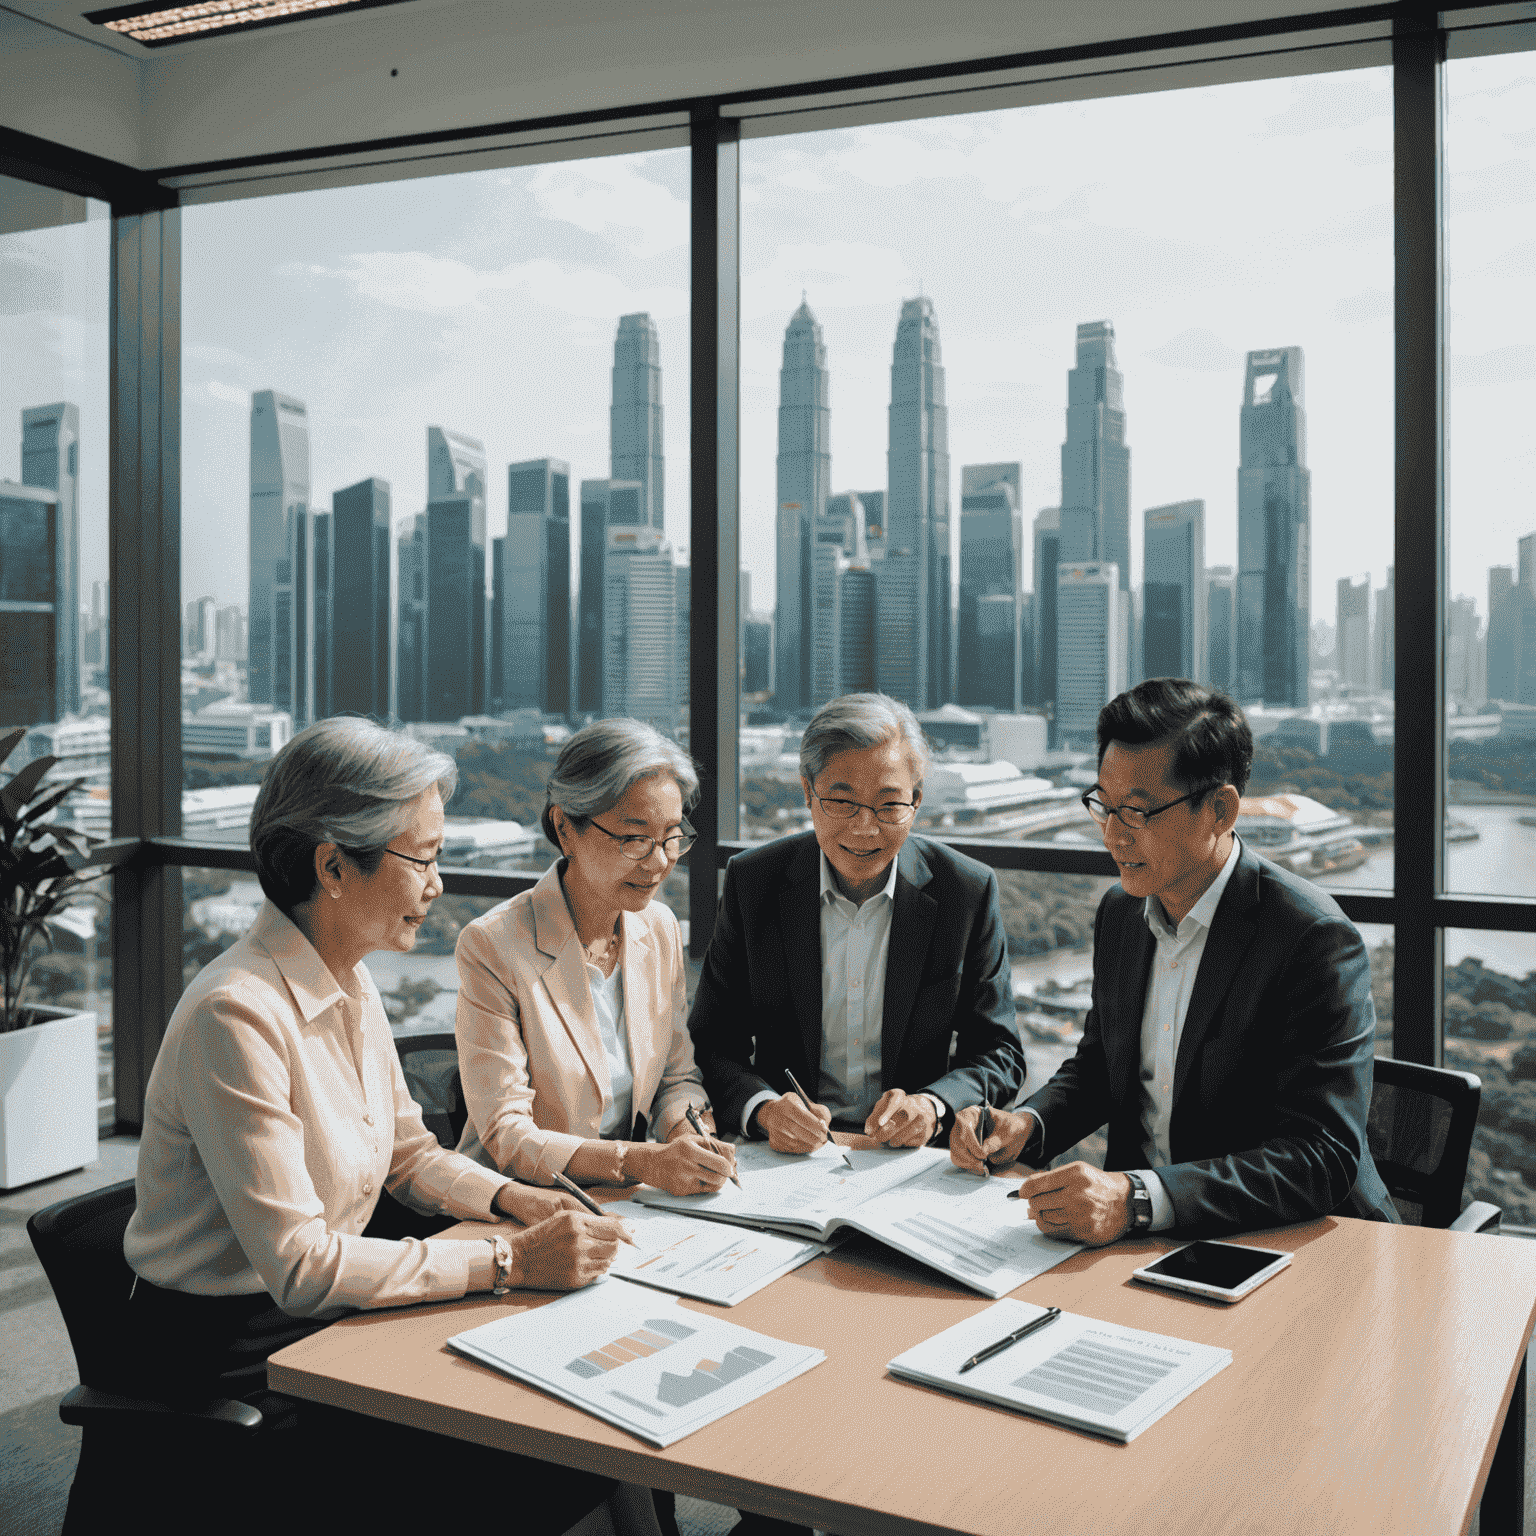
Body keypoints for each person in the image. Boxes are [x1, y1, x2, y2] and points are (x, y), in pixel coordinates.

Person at [122, 717, 627, 1534]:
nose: (438, 882)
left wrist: (515, 1202)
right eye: (422, 857)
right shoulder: (235, 1014)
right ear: (331, 864)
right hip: (230, 1364)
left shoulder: (348, 982)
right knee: (533, 1469)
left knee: (568, 1435)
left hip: (332, 1320)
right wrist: (505, 1262)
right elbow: (302, 1267)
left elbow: (409, 1156)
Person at [950, 677, 1397, 1242]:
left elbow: (1320, 1157)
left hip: (1294, 1241)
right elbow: (1100, 1068)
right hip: (1144, 1240)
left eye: (1137, 813)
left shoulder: (1310, 937)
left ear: (1220, 809)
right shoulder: (1121, 913)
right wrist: (1027, 1124)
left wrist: (1138, 1198)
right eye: (1104, 807)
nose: (1112, 835)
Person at [690, 691, 1025, 1155]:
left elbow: (1000, 1054)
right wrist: (765, 1110)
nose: (864, 829)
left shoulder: (964, 892)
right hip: (782, 1152)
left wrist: (933, 1105)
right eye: (842, 802)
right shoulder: (754, 882)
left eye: (889, 806)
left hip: (911, 1157)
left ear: (917, 800)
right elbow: (710, 1042)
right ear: (808, 791)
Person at [455, 717, 734, 1195]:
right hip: (521, 1203)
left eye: (671, 835)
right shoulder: (492, 946)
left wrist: (688, 1132)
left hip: (625, 1202)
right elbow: (508, 1135)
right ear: (566, 828)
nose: (660, 860)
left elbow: (676, 1078)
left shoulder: (659, 928)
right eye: (634, 838)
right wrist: (641, 1162)